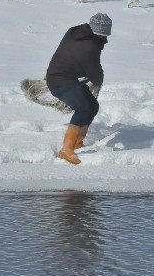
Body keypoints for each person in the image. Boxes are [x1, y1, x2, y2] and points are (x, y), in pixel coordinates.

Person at [46, 13, 112, 164]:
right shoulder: (90, 46)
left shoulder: (76, 32)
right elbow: (94, 70)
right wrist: (98, 82)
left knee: (92, 106)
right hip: (60, 81)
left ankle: (77, 142)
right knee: (83, 108)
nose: (106, 37)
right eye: (104, 33)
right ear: (99, 32)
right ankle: (66, 149)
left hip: (65, 78)